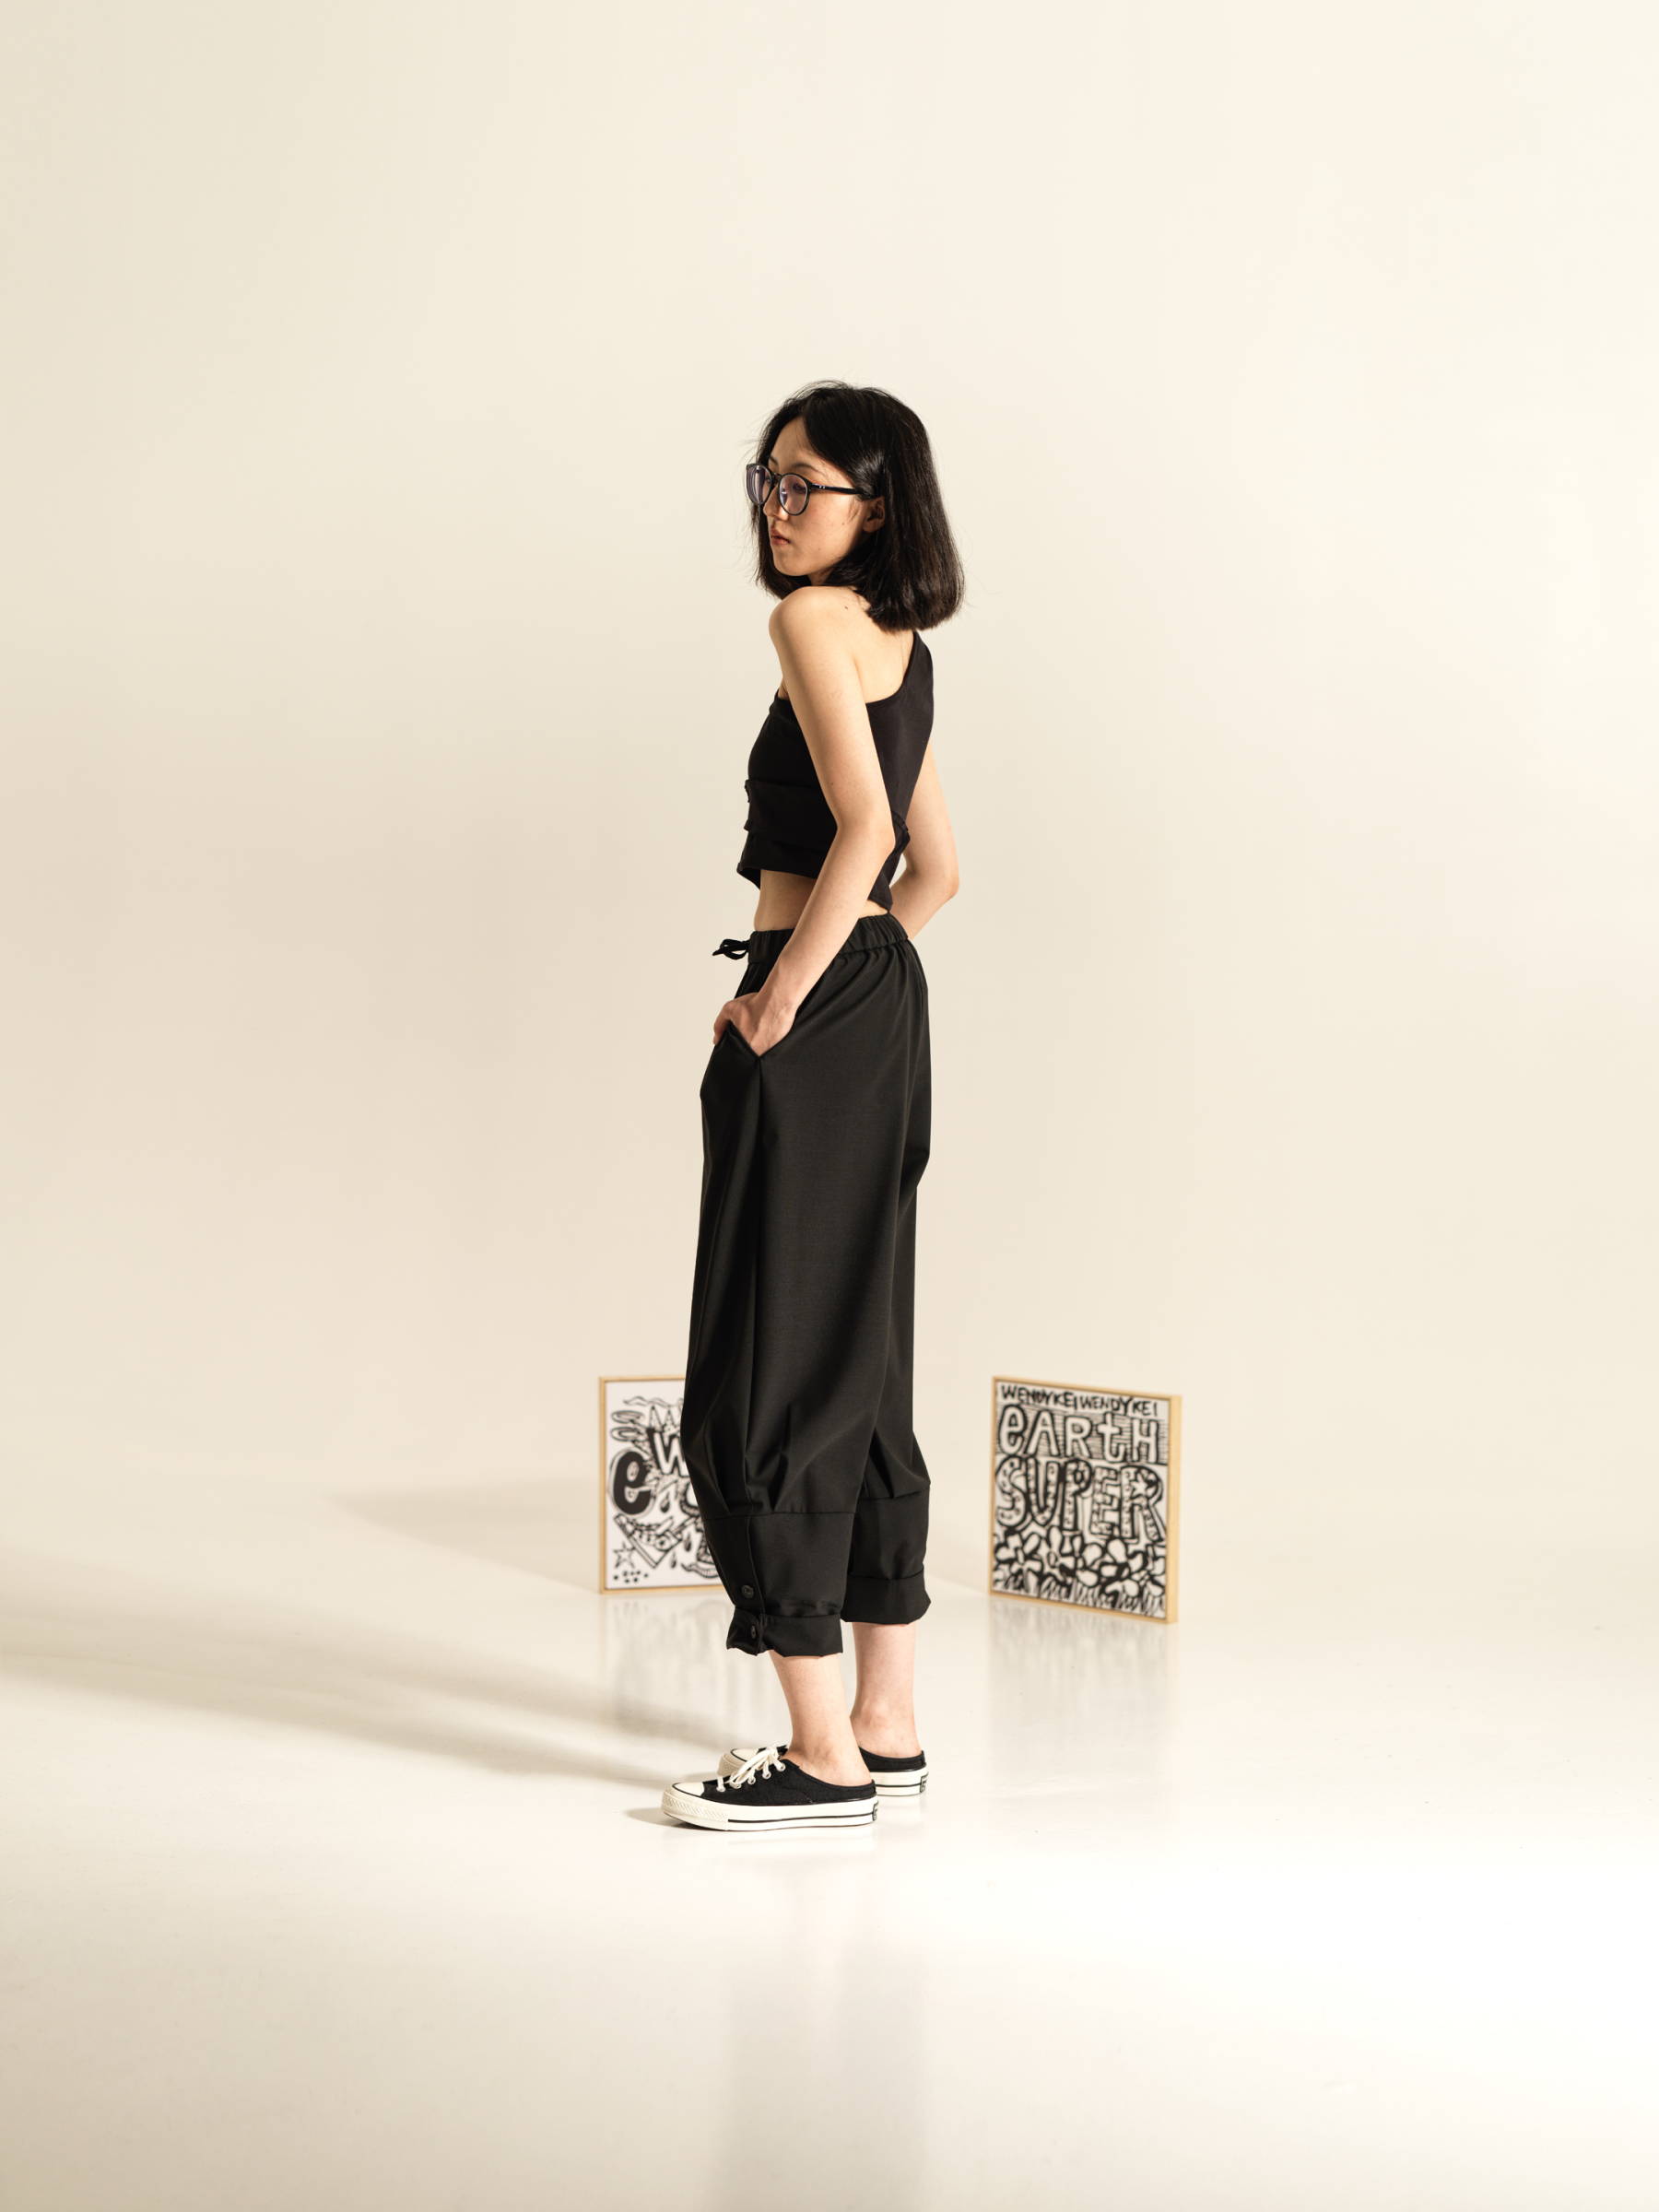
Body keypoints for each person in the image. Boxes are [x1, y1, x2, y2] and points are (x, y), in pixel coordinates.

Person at [663, 382, 964, 1832]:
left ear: (877, 505)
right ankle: (886, 1725)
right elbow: (935, 872)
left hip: (819, 996)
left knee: (768, 1353)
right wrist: (860, 981)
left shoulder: (807, 626)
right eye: (767, 480)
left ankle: (818, 1754)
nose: (776, 509)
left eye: (807, 485)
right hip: (886, 998)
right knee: (863, 1347)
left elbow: (866, 830)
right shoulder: (900, 644)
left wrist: (786, 998)